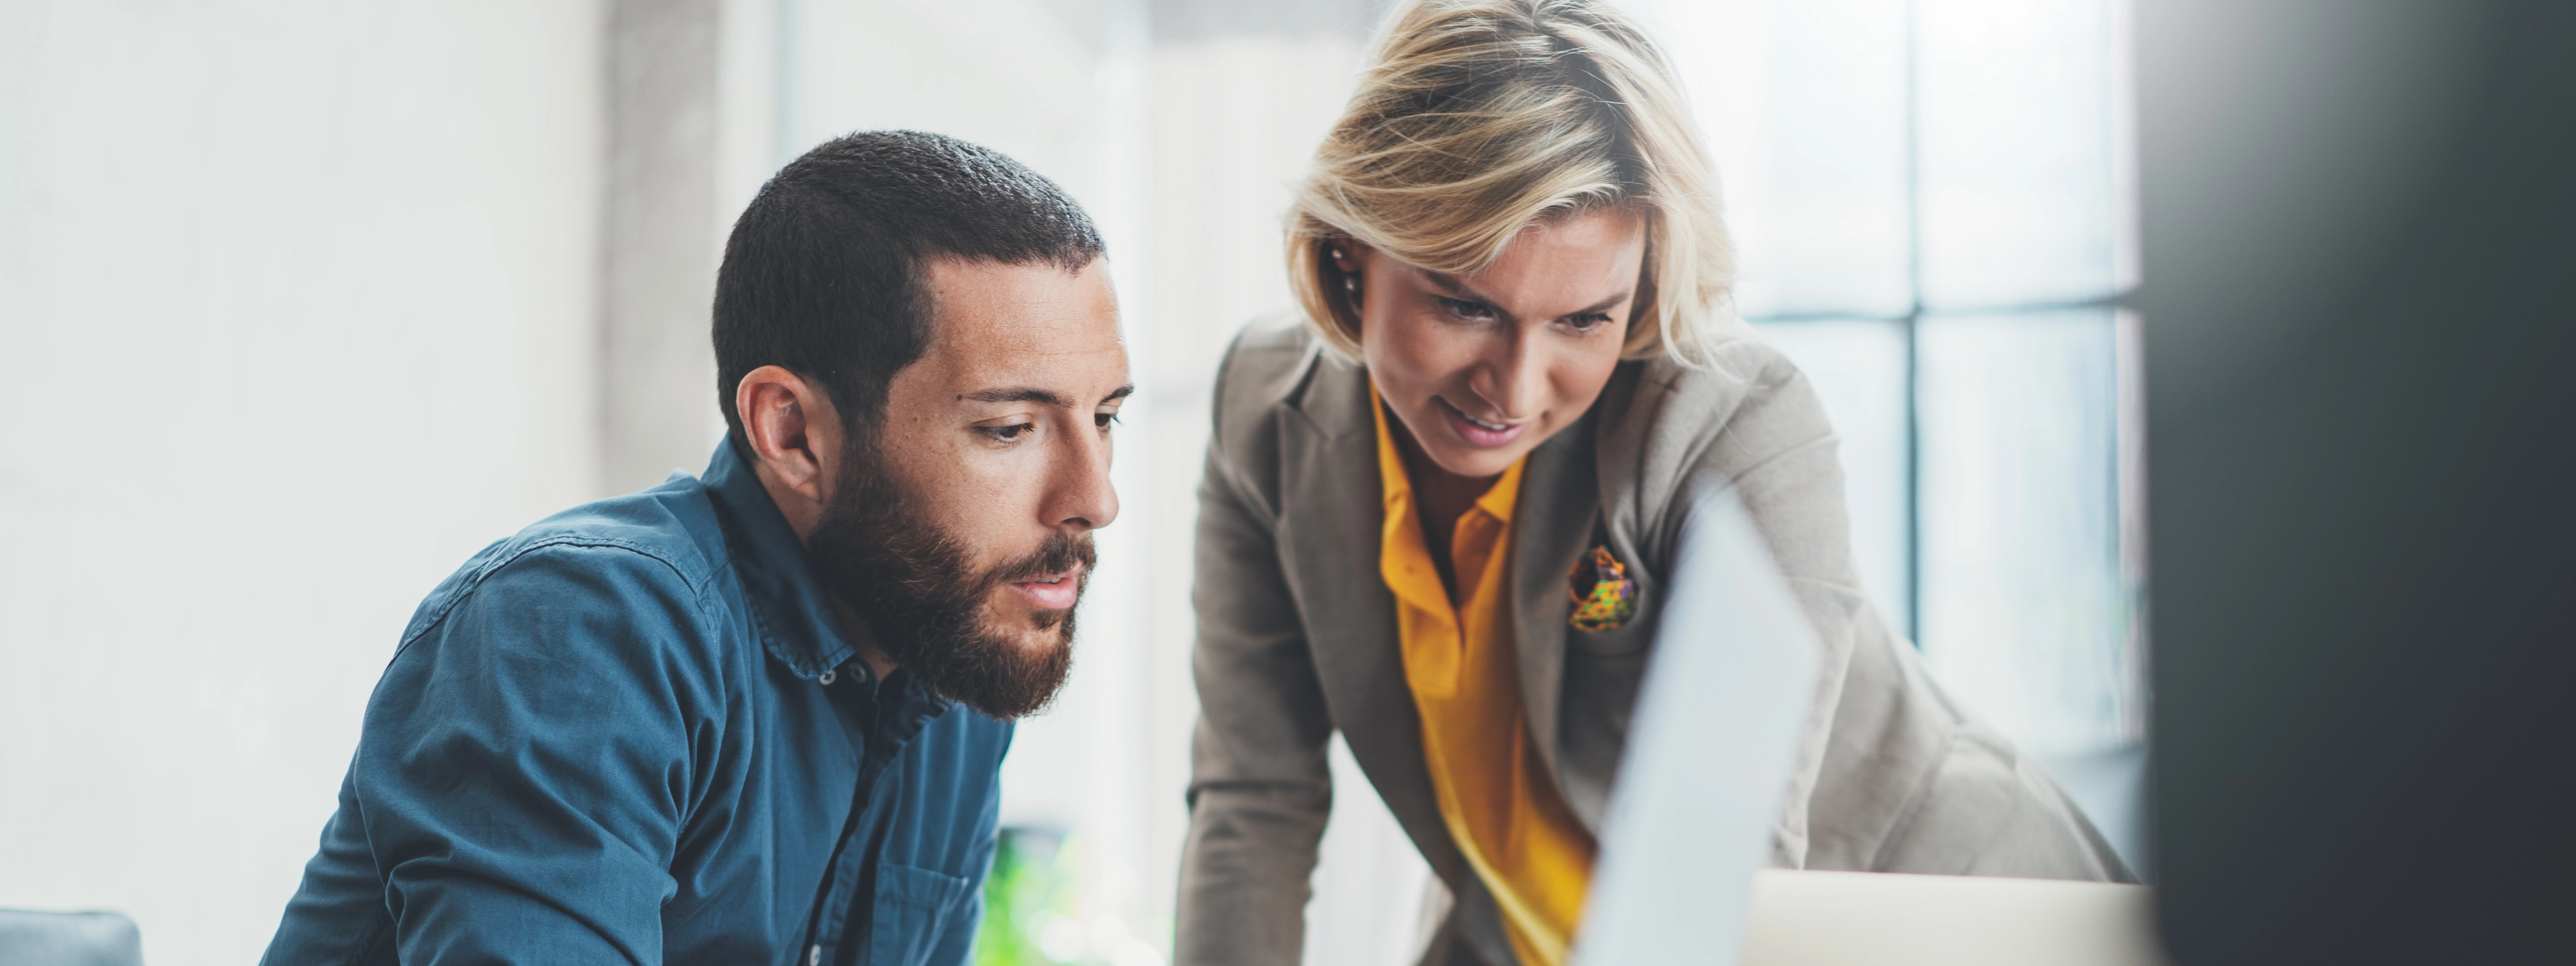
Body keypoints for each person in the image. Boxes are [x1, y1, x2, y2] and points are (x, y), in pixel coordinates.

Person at [1174, 3, 2133, 965]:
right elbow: (1253, 804)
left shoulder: (1732, 425)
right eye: (1463, 305)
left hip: (1941, 918)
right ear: (1351, 246)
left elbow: (1731, 868)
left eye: (1584, 320)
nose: (1512, 387)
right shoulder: (1265, 416)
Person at [260, 131, 1130, 965]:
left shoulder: (953, 658)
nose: (1095, 499)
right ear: (790, 432)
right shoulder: (580, 631)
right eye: (1010, 428)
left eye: (1104, 419)